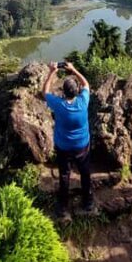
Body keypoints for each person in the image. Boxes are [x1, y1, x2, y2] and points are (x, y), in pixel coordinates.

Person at [42, 60, 95, 221]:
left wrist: (52, 71)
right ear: (76, 91)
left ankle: (63, 208)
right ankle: (88, 202)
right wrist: (73, 69)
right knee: (85, 173)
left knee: (64, 175)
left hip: (64, 147)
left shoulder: (59, 105)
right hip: (82, 146)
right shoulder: (83, 102)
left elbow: (45, 92)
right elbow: (86, 83)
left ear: (64, 92)